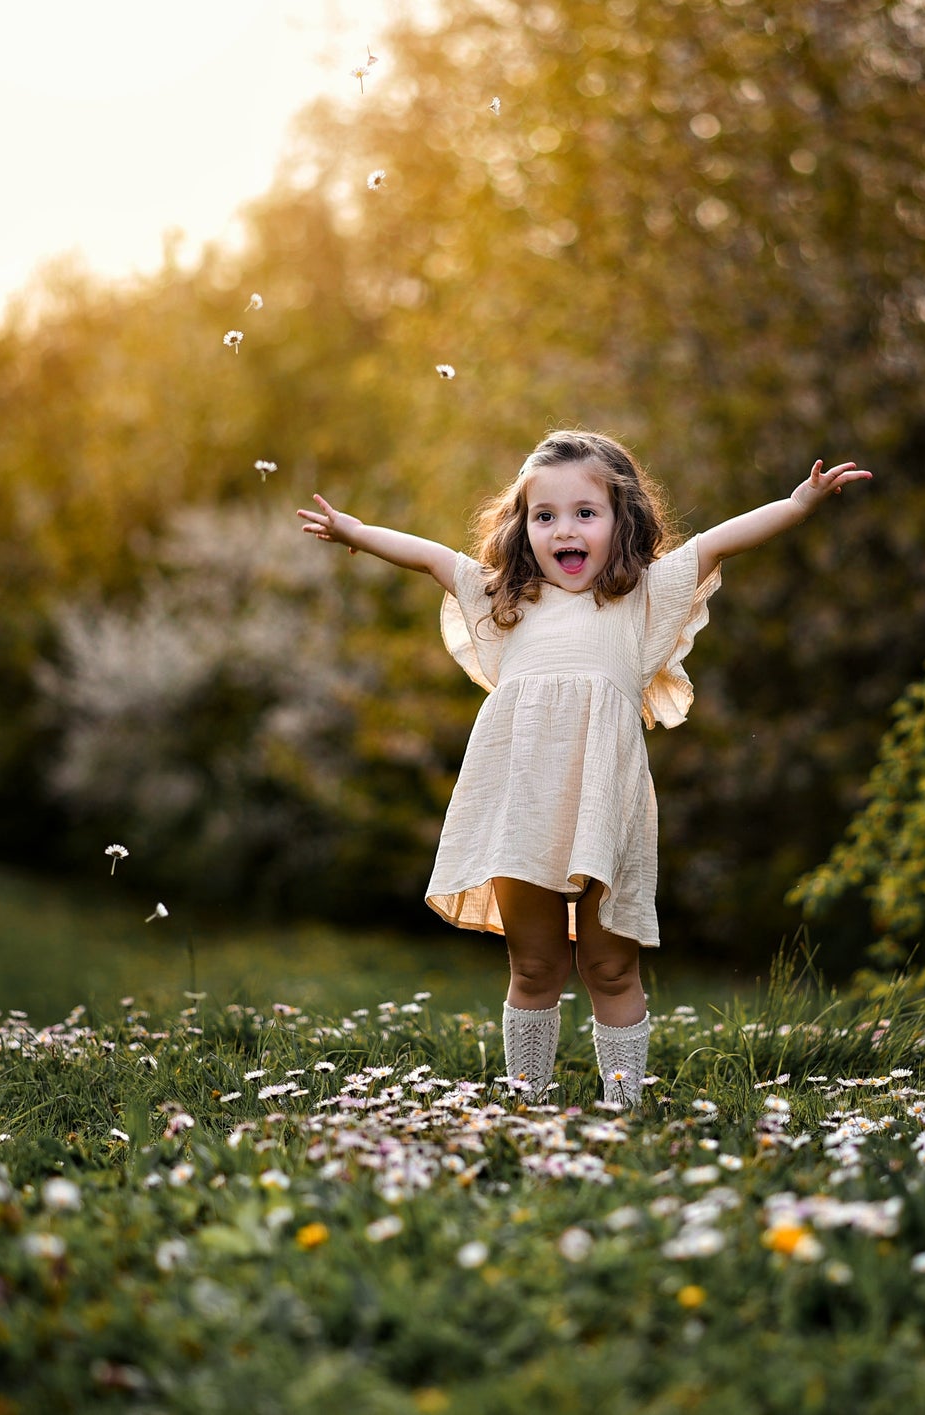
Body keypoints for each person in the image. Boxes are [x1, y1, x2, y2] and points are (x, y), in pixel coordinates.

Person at [297, 430, 871, 1109]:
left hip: (607, 806)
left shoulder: (640, 598)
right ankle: (524, 1101)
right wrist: (354, 531)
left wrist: (798, 503)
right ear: (523, 526)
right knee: (534, 964)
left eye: (584, 513)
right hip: (522, 808)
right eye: (544, 516)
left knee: (609, 963)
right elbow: (429, 558)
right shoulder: (504, 602)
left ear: (621, 519)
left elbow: (717, 541)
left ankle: (621, 1108)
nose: (562, 529)